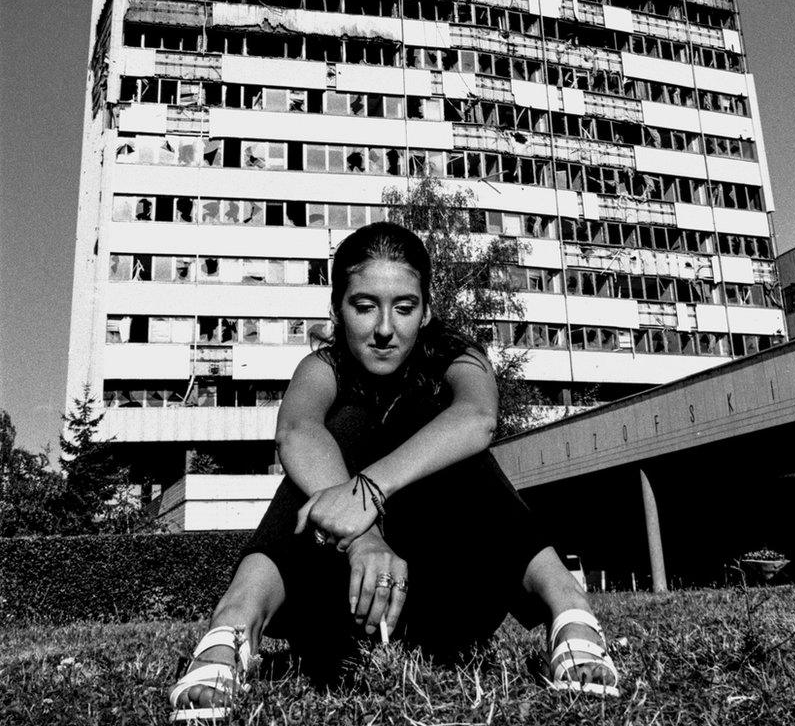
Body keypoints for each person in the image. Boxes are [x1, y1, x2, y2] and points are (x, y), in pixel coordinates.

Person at [169, 222, 619, 721]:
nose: (385, 328)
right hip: (338, 611)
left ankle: (571, 609)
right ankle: (232, 628)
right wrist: (364, 539)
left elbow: (477, 418)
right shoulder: (321, 367)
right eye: (365, 306)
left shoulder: (457, 355)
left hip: (452, 602)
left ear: (426, 310)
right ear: (337, 309)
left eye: (404, 307)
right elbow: (295, 431)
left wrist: (366, 494)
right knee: (331, 438)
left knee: (444, 431)